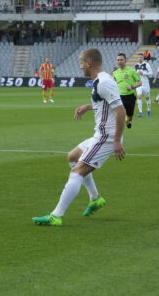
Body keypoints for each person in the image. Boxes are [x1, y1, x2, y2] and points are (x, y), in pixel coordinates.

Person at [32, 49, 125, 226]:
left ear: (89, 63)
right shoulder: (101, 81)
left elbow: (121, 111)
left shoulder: (104, 82)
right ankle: (95, 198)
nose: (80, 66)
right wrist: (89, 106)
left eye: (81, 63)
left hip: (107, 136)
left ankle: (56, 215)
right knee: (73, 157)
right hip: (101, 133)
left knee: (77, 172)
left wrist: (117, 140)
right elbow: (105, 103)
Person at [112, 53, 141, 129]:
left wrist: (132, 86)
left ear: (125, 60)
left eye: (121, 60)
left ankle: (129, 121)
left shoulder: (131, 71)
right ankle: (119, 128)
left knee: (130, 115)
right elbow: (112, 84)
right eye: (118, 60)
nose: (119, 61)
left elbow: (140, 82)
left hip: (130, 96)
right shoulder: (115, 73)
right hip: (119, 96)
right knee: (120, 113)